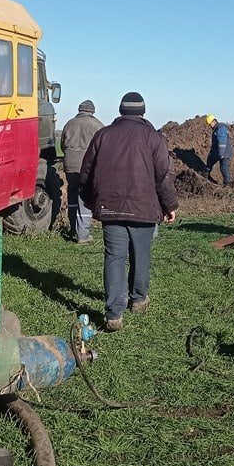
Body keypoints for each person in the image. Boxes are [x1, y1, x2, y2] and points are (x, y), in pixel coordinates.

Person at [79, 92, 178, 331]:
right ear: (143, 111)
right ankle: (139, 299)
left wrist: (93, 204)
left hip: (110, 209)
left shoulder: (103, 135)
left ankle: (114, 314)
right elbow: (164, 176)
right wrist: (170, 205)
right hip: (144, 208)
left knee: (114, 258)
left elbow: (86, 174)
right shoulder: (154, 138)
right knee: (141, 255)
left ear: (121, 110)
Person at [60, 99, 103, 243]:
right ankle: (83, 235)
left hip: (69, 166)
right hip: (86, 167)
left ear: (79, 110)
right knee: (84, 199)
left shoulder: (69, 123)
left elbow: (62, 144)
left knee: (72, 195)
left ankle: (74, 228)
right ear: (92, 111)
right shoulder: (97, 125)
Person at [204, 114, 233, 187]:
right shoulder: (217, 129)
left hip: (224, 152)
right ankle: (205, 175)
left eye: (210, 124)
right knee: (210, 161)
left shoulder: (221, 129)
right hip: (218, 151)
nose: (209, 126)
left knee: (224, 167)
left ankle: (227, 184)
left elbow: (222, 142)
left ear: (214, 121)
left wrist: (221, 154)